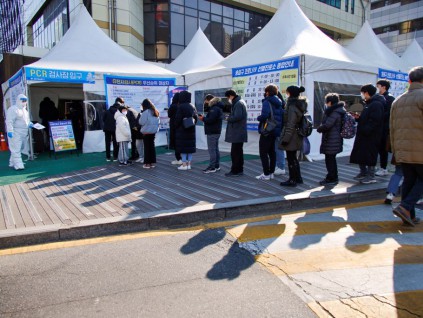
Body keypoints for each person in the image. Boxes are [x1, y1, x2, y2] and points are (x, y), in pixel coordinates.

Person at [390, 66, 423, 226]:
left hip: (403, 150)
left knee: (409, 181)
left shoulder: (398, 100)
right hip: (420, 149)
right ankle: (405, 207)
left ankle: (409, 215)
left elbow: (392, 129)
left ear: (409, 80)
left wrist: (396, 151)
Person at [350, 84, 385, 184]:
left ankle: (371, 176)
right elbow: (368, 119)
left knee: (370, 155)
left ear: (366, 93)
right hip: (364, 134)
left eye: (362, 93)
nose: (362, 95)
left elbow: (375, 121)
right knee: (362, 154)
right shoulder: (369, 103)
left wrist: (365, 129)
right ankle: (363, 172)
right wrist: (359, 118)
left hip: (371, 135)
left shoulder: (376, 104)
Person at [279, 86, 307, 187]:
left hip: (291, 135)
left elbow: (290, 123)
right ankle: (298, 178)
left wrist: (285, 139)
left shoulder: (292, 106)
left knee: (291, 158)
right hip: (296, 134)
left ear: (290, 93)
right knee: (293, 158)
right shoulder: (300, 105)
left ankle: (292, 179)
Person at [316, 93, 346, 186]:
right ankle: (332, 177)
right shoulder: (338, 110)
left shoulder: (334, 112)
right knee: (331, 159)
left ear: (329, 102)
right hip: (334, 139)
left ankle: (332, 178)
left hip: (332, 139)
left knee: (330, 160)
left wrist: (320, 128)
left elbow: (328, 125)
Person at [256, 84, 283, 180]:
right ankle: (271, 172)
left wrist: (258, 118)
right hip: (275, 129)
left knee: (263, 152)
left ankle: (266, 174)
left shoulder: (267, 102)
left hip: (267, 129)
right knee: (272, 152)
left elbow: (264, 115)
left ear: (267, 92)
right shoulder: (279, 102)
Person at [6, 94, 33, 170]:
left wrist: (29, 124)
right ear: (18, 100)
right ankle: (18, 165)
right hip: (16, 132)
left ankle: (12, 162)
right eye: (23, 100)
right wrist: (10, 131)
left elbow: (26, 120)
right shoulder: (13, 109)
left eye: (25, 101)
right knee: (16, 148)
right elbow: (9, 121)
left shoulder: (25, 111)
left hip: (24, 132)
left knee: (19, 148)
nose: (24, 102)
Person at [224, 89, 248, 177]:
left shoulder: (238, 103)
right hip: (239, 131)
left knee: (235, 152)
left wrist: (228, 118)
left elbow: (238, 116)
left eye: (227, 97)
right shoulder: (240, 102)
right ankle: (239, 170)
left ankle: (235, 171)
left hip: (237, 131)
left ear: (231, 96)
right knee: (238, 152)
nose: (228, 99)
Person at [375, 79, 395, 176]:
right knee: (377, 147)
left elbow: (389, 113)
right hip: (377, 126)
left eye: (378, 86)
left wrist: (378, 115)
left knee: (383, 149)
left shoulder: (390, 98)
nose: (377, 88)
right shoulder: (377, 97)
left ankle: (383, 168)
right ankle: (376, 167)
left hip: (384, 127)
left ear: (384, 87)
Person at [198, 97, 224, 173]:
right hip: (216, 131)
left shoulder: (214, 109)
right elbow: (213, 119)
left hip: (212, 131)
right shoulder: (218, 108)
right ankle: (216, 165)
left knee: (212, 150)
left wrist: (203, 119)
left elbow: (210, 120)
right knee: (215, 149)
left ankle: (212, 167)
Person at [175, 91, 198, 170]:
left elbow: (177, 120)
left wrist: (176, 125)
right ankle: (189, 164)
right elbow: (196, 118)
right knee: (189, 149)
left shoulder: (181, 107)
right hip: (191, 130)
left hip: (182, 131)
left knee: (183, 148)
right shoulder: (192, 106)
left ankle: (184, 165)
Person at [139, 99, 160, 169]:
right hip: (153, 132)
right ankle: (152, 163)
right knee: (152, 147)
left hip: (146, 132)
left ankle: (147, 164)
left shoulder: (146, 112)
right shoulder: (155, 111)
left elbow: (141, 122)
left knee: (147, 148)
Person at [103, 97, 122, 161]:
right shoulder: (118, 112)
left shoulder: (107, 111)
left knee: (107, 143)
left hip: (107, 129)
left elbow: (103, 119)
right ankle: (115, 157)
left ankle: (108, 157)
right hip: (115, 129)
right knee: (115, 143)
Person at [168, 93, 182, 165]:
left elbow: (169, 115)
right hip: (181, 126)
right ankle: (183, 159)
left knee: (176, 142)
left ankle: (178, 158)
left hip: (174, 126)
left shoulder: (173, 106)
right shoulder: (182, 105)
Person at [275, 91, 286, 175]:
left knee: (279, 149)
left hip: (279, 131)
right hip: (280, 130)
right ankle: (278, 166)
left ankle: (281, 167)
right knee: (277, 149)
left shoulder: (280, 107)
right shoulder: (282, 105)